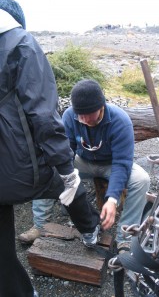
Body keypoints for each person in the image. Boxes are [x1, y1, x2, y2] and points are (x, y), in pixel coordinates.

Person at [0, 0, 99, 297]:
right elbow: (44, 115)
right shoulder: (20, 44)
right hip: (14, 163)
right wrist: (66, 169)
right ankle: (90, 229)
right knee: (63, 182)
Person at [20, 79, 150, 252]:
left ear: (102, 106)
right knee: (48, 168)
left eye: (90, 114)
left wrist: (112, 199)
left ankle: (125, 238)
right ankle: (40, 224)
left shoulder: (120, 121)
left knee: (141, 179)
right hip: (82, 161)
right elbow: (66, 151)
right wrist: (67, 178)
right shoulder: (69, 116)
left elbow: (122, 163)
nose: (85, 119)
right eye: (81, 115)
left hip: (111, 164)